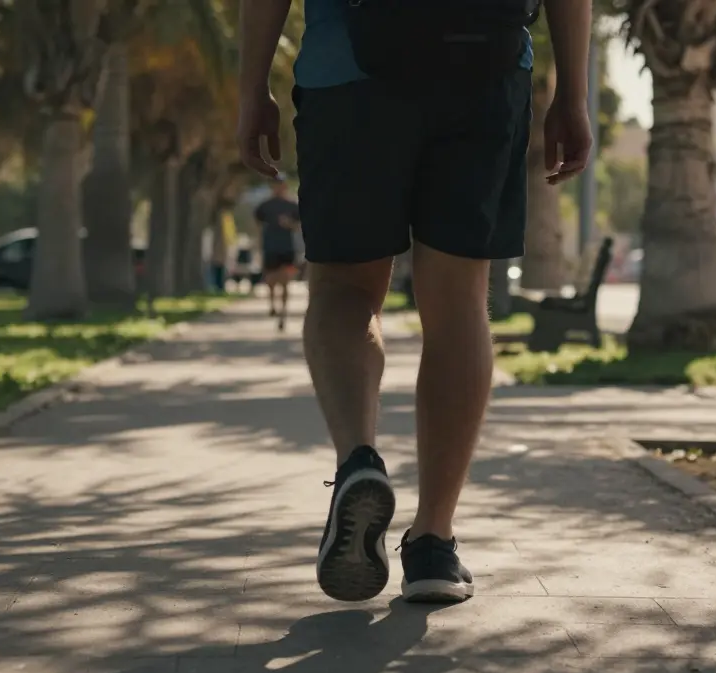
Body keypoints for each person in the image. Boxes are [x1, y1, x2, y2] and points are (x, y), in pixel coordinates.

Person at [238, 0, 592, 603]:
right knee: (457, 301)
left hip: (349, 74)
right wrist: (573, 94)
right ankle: (433, 545)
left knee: (346, 290)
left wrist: (251, 90)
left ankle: (359, 460)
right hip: (485, 69)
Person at [254, 174, 301, 331]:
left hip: (287, 248)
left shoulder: (292, 206)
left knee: (286, 280)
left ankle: (283, 313)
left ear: (285, 186)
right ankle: (273, 304)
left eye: (280, 184)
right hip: (270, 247)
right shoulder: (265, 206)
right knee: (271, 280)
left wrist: (289, 224)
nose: (278, 187)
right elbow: (257, 224)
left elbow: (299, 226)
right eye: (275, 184)